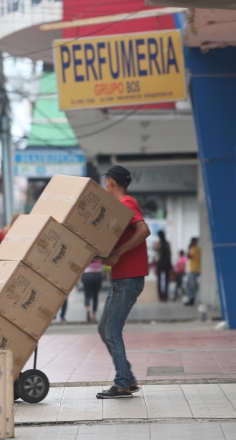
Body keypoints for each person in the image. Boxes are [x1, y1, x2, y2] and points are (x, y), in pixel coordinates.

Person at [96, 165, 150, 399]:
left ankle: (121, 383)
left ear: (110, 183)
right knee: (104, 328)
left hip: (128, 277)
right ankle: (127, 378)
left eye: (105, 183)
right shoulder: (121, 208)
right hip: (122, 277)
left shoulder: (127, 204)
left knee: (112, 329)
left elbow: (143, 230)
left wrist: (117, 254)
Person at [154, 230, 172, 302]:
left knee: (163, 280)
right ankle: (163, 296)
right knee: (164, 280)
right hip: (164, 262)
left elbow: (168, 254)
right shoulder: (165, 243)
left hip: (162, 262)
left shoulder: (160, 244)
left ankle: (163, 296)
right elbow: (169, 254)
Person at [183, 237, 201, 306]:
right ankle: (191, 298)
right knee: (188, 285)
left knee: (191, 285)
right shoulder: (193, 249)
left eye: (192, 241)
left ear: (194, 242)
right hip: (191, 269)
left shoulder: (196, 249)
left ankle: (192, 299)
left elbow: (189, 256)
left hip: (194, 270)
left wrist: (188, 249)